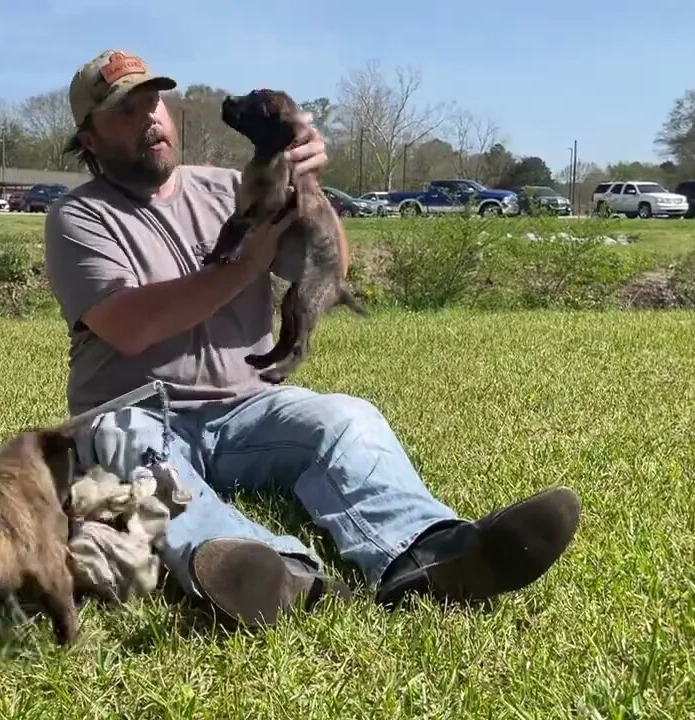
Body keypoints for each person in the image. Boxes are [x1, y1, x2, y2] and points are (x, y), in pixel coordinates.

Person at [43, 49, 582, 626]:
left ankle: (435, 554)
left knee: (348, 419)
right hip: (143, 412)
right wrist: (247, 263)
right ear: (90, 139)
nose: (150, 118)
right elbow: (130, 325)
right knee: (126, 444)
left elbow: (326, 267)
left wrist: (311, 191)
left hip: (248, 407)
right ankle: (272, 573)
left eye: (155, 103)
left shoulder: (234, 185)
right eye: (126, 111)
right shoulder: (80, 218)